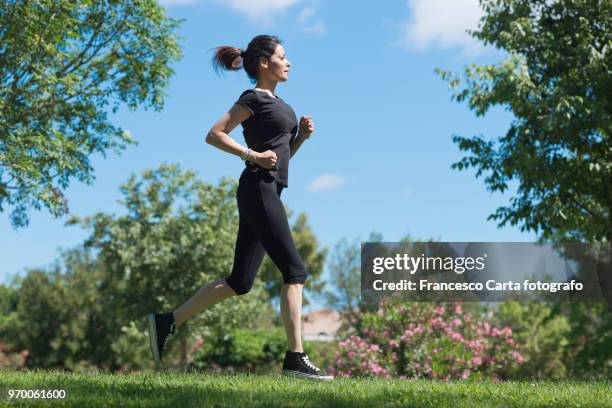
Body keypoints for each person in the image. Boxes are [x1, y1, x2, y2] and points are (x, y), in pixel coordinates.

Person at [147, 35, 333, 381]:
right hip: (258, 189)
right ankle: (295, 357)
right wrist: (252, 155)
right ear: (264, 63)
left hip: (266, 190)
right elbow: (215, 134)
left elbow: (280, 158)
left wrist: (300, 138)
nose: (288, 61)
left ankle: (167, 322)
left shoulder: (285, 107)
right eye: (282, 56)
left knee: (240, 281)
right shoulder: (252, 98)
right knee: (295, 272)